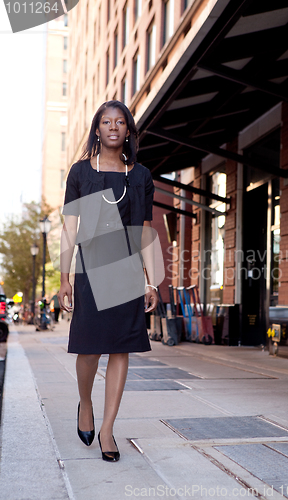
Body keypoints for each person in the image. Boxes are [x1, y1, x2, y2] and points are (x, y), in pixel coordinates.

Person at [58, 101, 159, 462]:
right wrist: (64, 277)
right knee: (89, 348)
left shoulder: (142, 175)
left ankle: (107, 429)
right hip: (90, 266)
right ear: (97, 130)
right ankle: (85, 403)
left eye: (120, 122)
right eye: (106, 121)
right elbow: (71, 228)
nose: (113, 127)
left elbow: (145, 229)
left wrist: (152, 281)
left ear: (128, 130)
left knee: (121, 347)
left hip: (128, 267)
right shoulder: (80, 172)